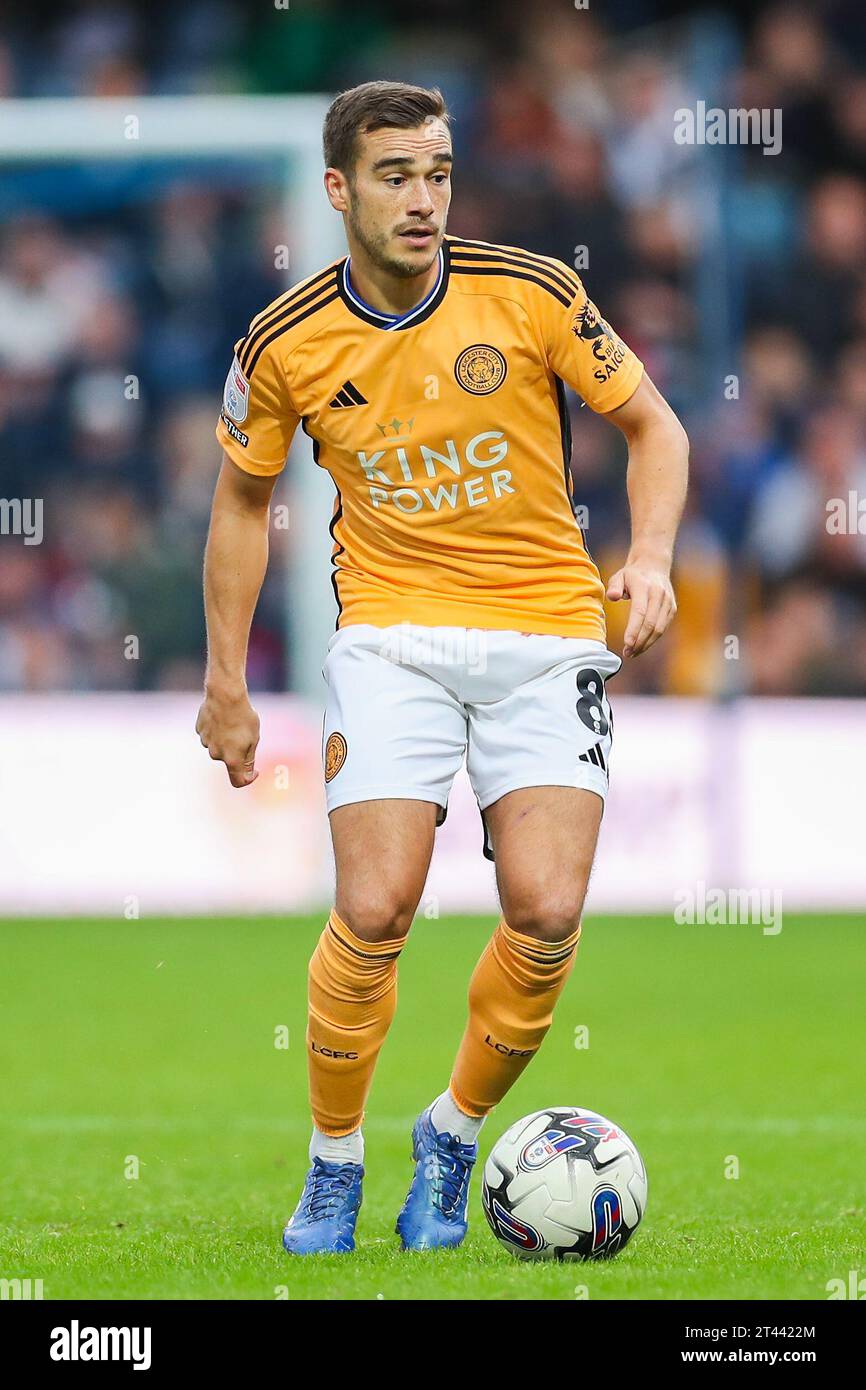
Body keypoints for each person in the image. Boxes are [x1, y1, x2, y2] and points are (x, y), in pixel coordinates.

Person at [196, 80, 688, 1255]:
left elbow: (654, 428)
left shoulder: (530, 294)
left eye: (438, 173)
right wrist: (224, 680)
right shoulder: (286, 341)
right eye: (394, 176)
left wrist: (653, 558)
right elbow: (240, 500)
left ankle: (455, 1129)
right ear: (337, 190)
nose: (423, 200)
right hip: (390, 635)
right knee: (373, 907)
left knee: (547, 910)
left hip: (547, 631)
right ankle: (331, 1164)